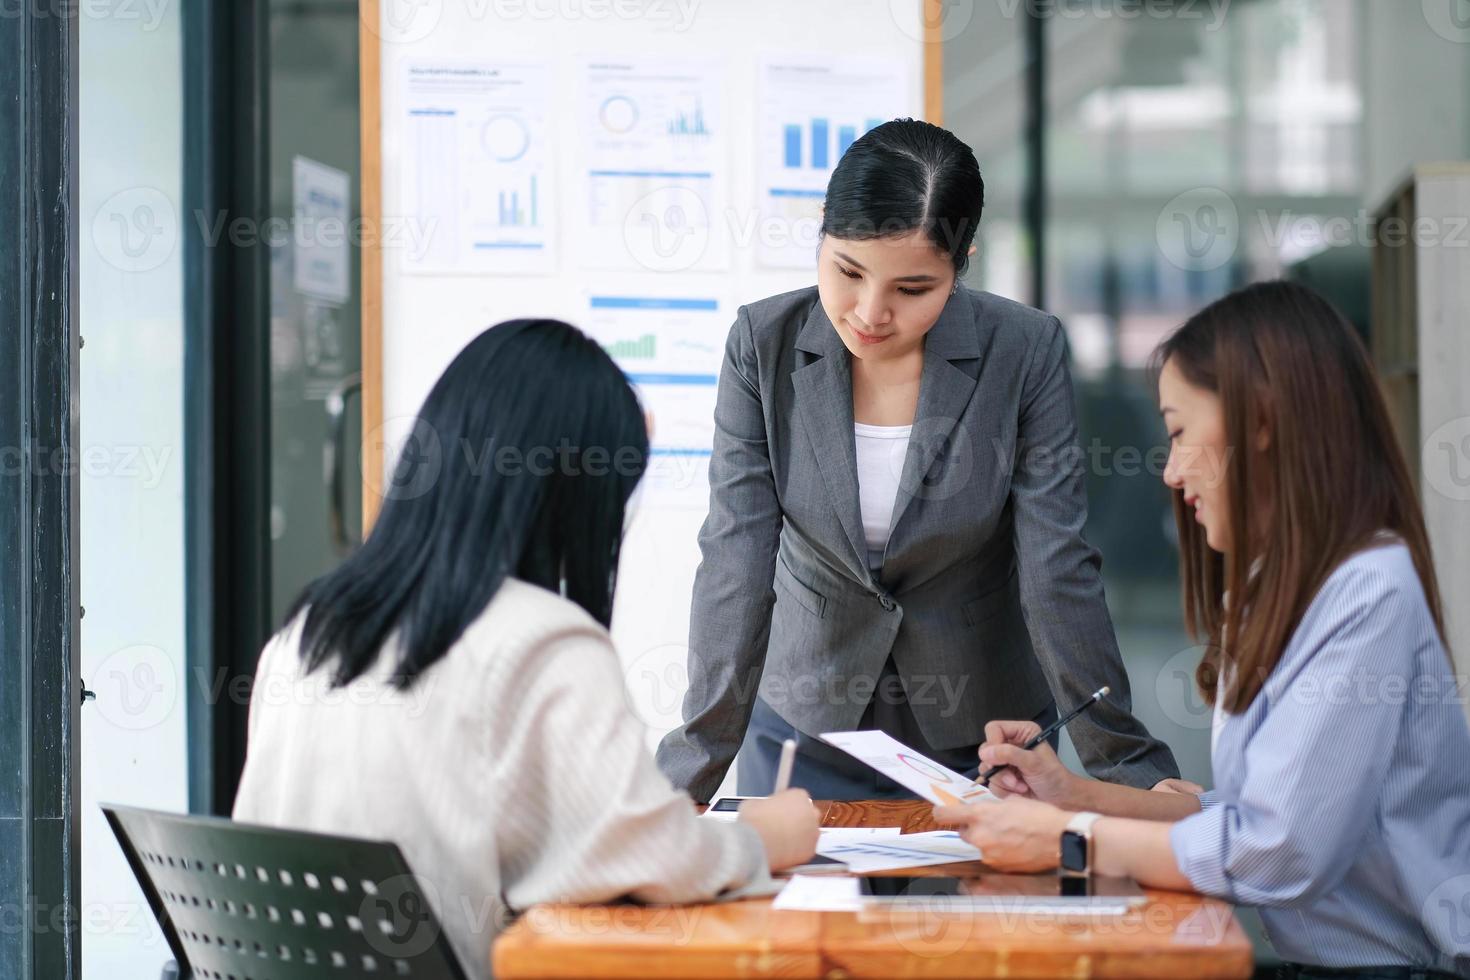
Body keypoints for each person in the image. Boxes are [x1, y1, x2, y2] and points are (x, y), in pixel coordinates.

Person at [232, 319, 819, 980]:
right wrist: (764, 837)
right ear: (576, 494)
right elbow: (642, 854)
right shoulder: (543, 640)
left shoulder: (309, 629)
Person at [936, 281, 1470, 979]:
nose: (1169, 469)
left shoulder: (1368, 589)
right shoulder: (1278, 582)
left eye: (1181, 431)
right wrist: (1076, 795)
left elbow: (1278, 851)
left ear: (1261, 422)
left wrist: (1067, 837)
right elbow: (1261, 816)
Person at [655, 118, 1181, 802]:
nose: (870, 312)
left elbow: (1056, 568)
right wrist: (682, 789)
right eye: (847, 272)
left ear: (960, 266)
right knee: (799, 912)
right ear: (821, 233)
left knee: (975, 911)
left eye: (912, 289)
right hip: (806, 724)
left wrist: (1129, 770)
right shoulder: (764, 345)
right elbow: (736, 559)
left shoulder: (1022, 351)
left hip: (983, 732)